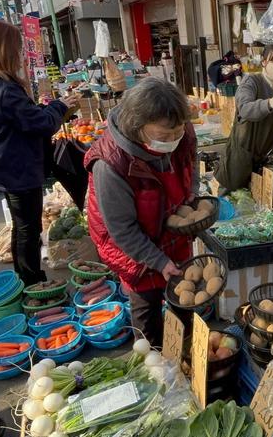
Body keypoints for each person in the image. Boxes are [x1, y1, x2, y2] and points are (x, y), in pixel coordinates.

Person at [0, 18, 77, 285]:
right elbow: (40, 124)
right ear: (4, 49)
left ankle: (26, 277)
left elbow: (27, 119)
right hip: (17, 166)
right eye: (17, 47)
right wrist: (59, 106)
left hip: (2, 161)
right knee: (28, 227)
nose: (20, 53)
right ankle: (31, 282)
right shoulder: (4, 88)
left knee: (22, 224)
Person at [84, 78, 197, 343]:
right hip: (131, 246)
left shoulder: (181, 131)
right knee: (148, 310)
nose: (172, 141)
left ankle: (188, 350)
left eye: (177, 132)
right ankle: (155, 360)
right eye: (163, 136)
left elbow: (190, 161)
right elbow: (122, 230)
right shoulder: (111, 165)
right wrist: (158, 261)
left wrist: (191, 193)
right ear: (138, 126)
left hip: (169, 228)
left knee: (185, 298)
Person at [214, 44, 273, 191]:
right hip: (241, 153)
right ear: (264, 62)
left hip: (269, 155)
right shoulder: (251, 82)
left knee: (263, 198)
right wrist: (270, 103)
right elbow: (245, 109)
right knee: (232, 193)